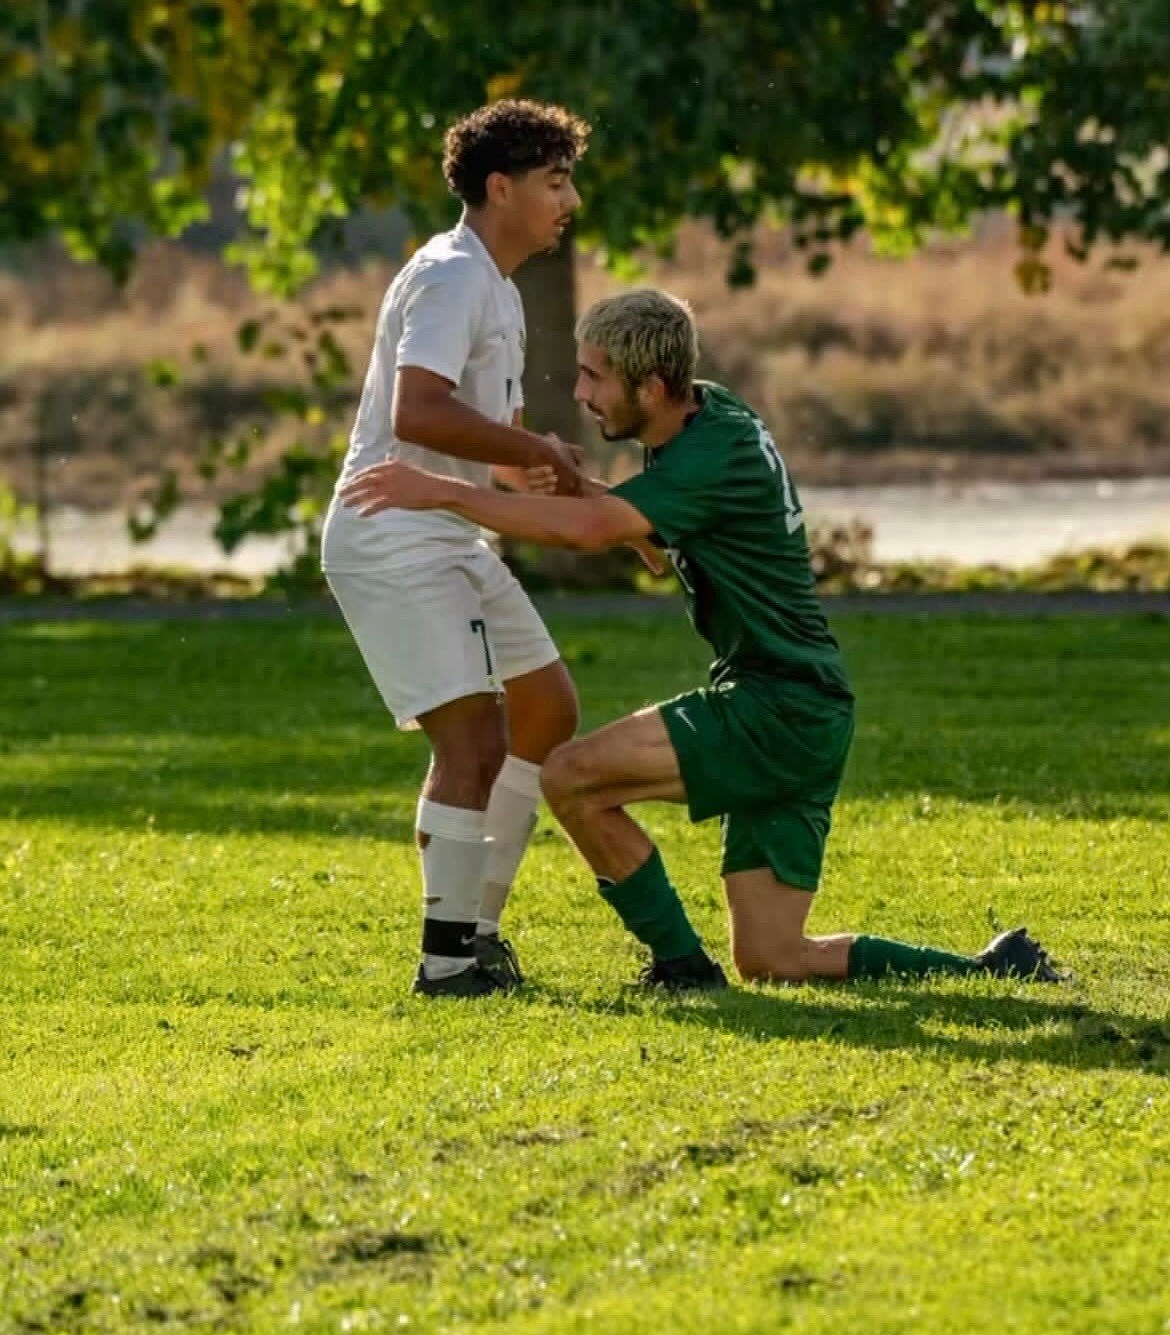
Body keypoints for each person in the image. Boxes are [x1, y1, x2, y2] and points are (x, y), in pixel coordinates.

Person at [340, 287, 1066, 993]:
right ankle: (990, 968)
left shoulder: (706, 454)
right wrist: (571, 487)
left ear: (652, 387)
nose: (581, 392)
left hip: (775, 706)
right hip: (810, 714)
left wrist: (445, 491)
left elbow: (597, 531)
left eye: (595, 377)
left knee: (570, 777)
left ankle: (682, 969)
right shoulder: (703, 414)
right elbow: (634, 522)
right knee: (776, 957)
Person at [321, 98, 591, 998]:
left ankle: (477, 927)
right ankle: (448, 963)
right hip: (392, 530)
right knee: (473, 739)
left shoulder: (497, 288)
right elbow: (420, 413)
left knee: (547, 708)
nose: (570, 201)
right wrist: (532, 452)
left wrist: (537, 476)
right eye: (556, 182)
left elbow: (480, 430)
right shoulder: (448, 276)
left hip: (448, 524)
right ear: (500, 187)